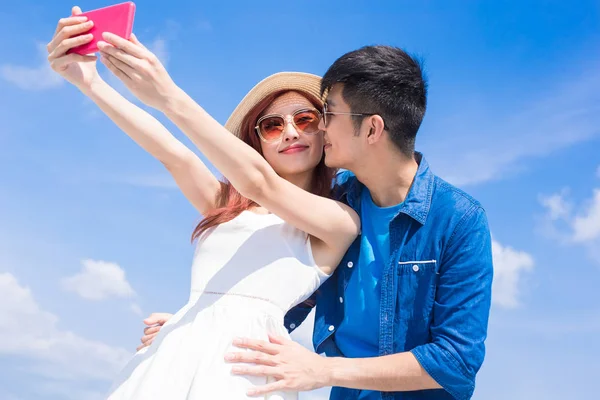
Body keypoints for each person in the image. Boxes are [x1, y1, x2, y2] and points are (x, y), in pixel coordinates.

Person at [118, 30, 495, 400]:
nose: (320, 128)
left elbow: (456, 361)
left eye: (324, 115)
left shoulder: (458, 220)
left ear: (372, 128)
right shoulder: (337, 201)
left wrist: (324, 370)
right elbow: (287, 288)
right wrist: (202, 321)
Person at [47, 7, 361, 400]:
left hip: (245, 372)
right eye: (272, 125)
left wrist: (168, 96)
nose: (290, 132)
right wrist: (88, 82)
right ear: (257, 141)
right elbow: (171, 153)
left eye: (306, 118)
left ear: (325, 130)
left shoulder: (338, 221)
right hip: (174, 355)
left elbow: (261, 183)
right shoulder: (226, 205)